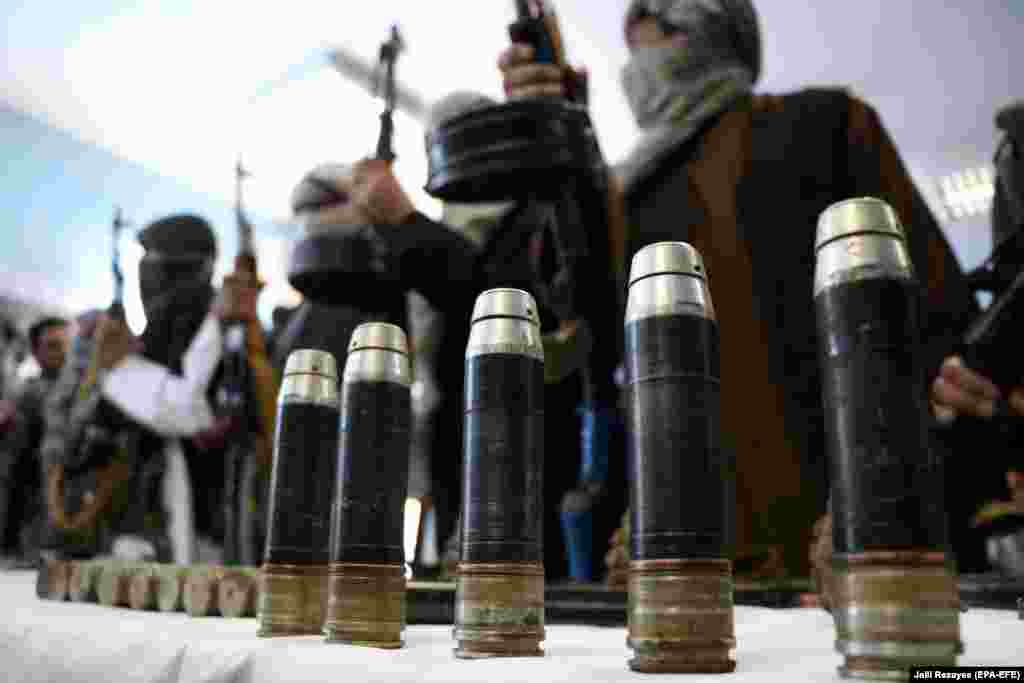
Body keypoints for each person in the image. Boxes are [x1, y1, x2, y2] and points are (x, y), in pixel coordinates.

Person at [499, 0, 1024, 581]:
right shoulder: (620, 198)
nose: (635, 69)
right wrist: (557, 139)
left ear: (701, 38)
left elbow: (937, 334)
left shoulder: (822, 127)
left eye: (649, 44)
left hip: (855, 549)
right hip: (687, 564)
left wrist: (915, 492)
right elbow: (577, 336)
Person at [305, 92, 624, 581]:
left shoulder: (541, 219)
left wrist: (407, 226)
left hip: (535, 474)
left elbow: (502, 304)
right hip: (460, 467)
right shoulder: (445, 237)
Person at [48, 214, 274, 564]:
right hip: (154, 521)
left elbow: (188, 410)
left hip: (197, 527)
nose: (142, 272)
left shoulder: (199, 316)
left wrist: (116, 371)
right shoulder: (194, 320)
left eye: (148, 259)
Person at [0, 316, 69, 561]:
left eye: (69, 342)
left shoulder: (95, 390)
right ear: (36, 353)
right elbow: (14, 470)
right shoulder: (27, 396)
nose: (64, 351)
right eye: (53, 345)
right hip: (39, 520)